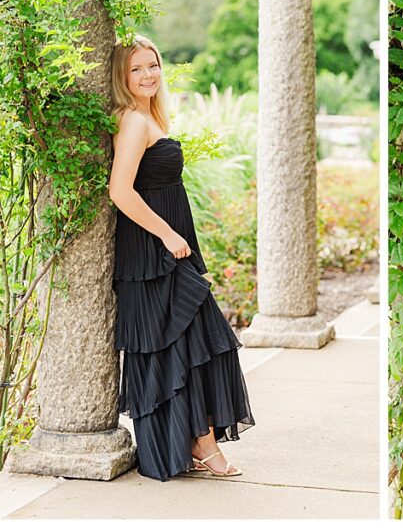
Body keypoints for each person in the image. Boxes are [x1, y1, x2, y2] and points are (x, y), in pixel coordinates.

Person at [108, 35, 254, 481]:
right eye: (136, 69)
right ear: (122, 76)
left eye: (152, 65)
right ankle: (203, 445)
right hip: (155, 252)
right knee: (193, 343)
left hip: (165, 248)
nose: (148, 74)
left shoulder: (148, 117)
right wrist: (168, 234)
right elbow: (120, 191)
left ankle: (194, 442)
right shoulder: (133, 121)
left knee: (187, 346)